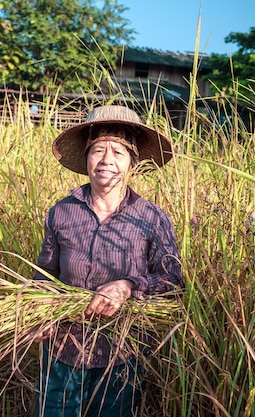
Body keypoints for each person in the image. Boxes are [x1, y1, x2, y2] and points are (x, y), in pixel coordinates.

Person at [32, 105, 184, 417]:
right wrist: (39, 310)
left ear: (133, 162)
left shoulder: (151, 218)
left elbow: (173, 281)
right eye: (98, 150)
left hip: (122, 354)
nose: (106, 160)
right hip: (62, 349)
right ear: (86, 158)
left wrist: (128, 285)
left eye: (117, 152)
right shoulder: (62, 211)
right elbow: (44, 274)